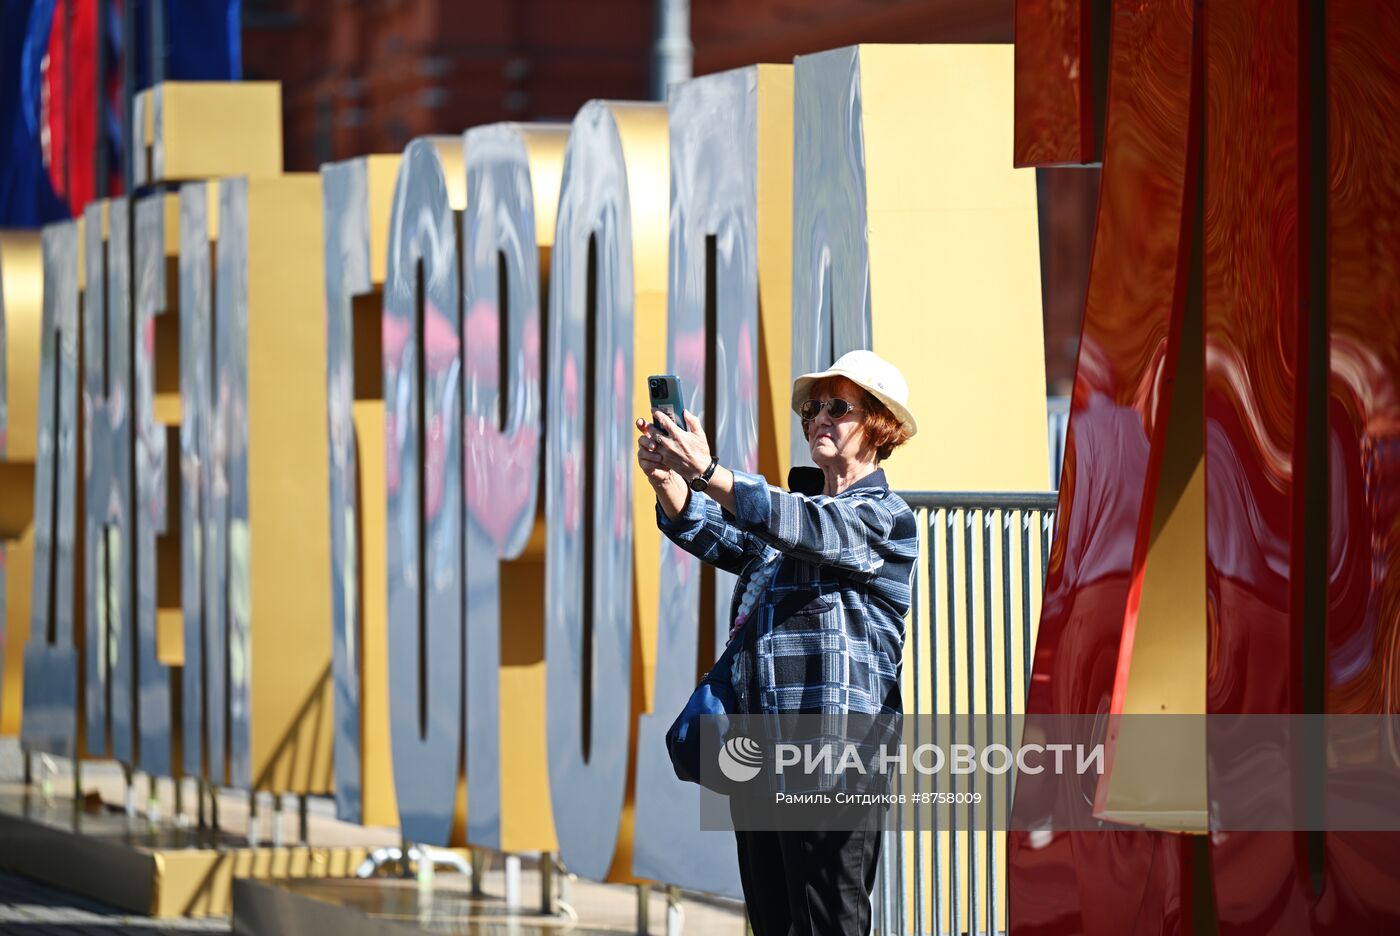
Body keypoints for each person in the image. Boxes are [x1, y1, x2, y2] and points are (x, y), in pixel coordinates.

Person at [635, 348, 919, 936]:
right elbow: (723, 537)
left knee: (828, 923)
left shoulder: (885, 517)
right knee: (773, 922)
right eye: (813, 407)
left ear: (879, 424)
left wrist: (708, 472)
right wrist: (670, 481)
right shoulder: (802, 514)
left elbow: (802, 527)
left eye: (837, 406)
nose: (818, 416)